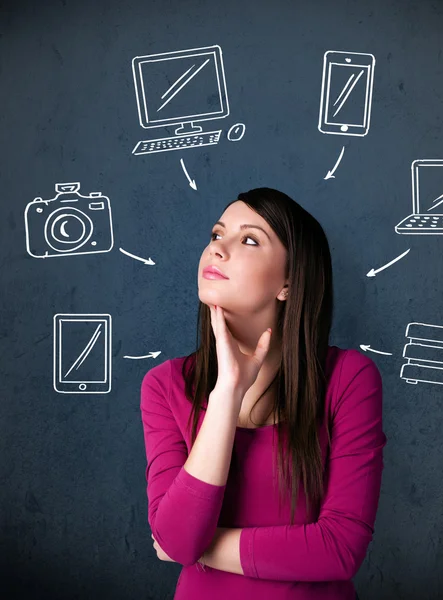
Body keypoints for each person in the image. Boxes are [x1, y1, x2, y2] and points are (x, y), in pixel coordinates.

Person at [140, 188, 387, 600]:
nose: (218, 249)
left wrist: (198, 546)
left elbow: (340, 548)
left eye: (249, 240)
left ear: (288, 283)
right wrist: (226, 396)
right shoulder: (165, 386)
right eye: (217, 234)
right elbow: (176, 540)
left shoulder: (349, 379)